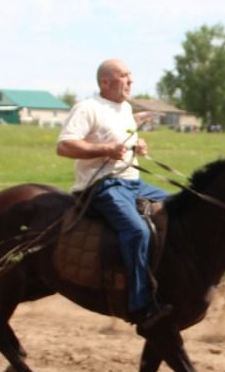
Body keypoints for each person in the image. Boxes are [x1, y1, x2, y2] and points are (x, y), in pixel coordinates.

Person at [57, 59, 172, 330]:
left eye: (131, 75)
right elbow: (64, 146)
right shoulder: (88, 108)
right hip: (102, 186)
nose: (130, 81)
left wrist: (136, 145)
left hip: (133, 182)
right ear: (105, 82)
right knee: (136, 231)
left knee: (177, 208)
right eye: (124, 76)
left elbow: (121, 138)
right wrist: (105, 150)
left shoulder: (125, 109)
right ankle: (140, 303)